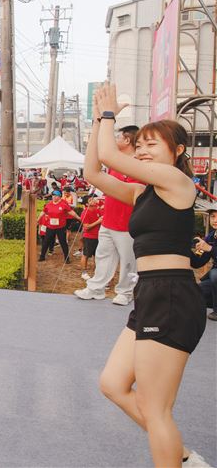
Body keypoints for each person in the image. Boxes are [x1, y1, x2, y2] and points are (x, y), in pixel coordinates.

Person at [85, 84, 207, 467]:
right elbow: (93, 170)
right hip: (150, 294)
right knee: (113, 384)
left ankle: (176, 458)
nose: (140, 150)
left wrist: (109, 116)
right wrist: (96, 121)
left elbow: (110, 154)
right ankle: (182, 457)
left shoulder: (178, 183)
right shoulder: (144, 193)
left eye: (151, 144)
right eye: (138, 144)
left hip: (173, 296)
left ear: (178, 151)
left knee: (156, 409)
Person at [75, 125, 141, 305]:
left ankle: (126, 292)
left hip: (128, 224)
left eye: (119, 137)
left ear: (128, 140)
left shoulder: (139, 165)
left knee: (129, 261)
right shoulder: (114, 163)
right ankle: (96, 288)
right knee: (103, 255)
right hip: (108, 220)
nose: (116, 140)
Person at [38, 190, 81, 263]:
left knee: (63, 242)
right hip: (50, 227)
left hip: (60, 228)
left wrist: (79, 218)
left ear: (59, 197)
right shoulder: (49, 204)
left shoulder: (63, 205)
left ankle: (66, 258)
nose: (53, 197)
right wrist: (38, 219)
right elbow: (43, 211)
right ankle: (42, 256)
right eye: (53, 195)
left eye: (55, 195)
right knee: (46, 242)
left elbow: (71, 212)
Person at [79, 196, 103, 280]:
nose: (93, 200)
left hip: (98, 236)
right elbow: (86, 227)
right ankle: (84, 272)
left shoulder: (97, 210)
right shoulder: (85, 213)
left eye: (93, 199)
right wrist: (98, 221)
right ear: (87, 204)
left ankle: (96, 272)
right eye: (90, 200)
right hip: (89, 237)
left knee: (97, 256)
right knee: (86, 255)